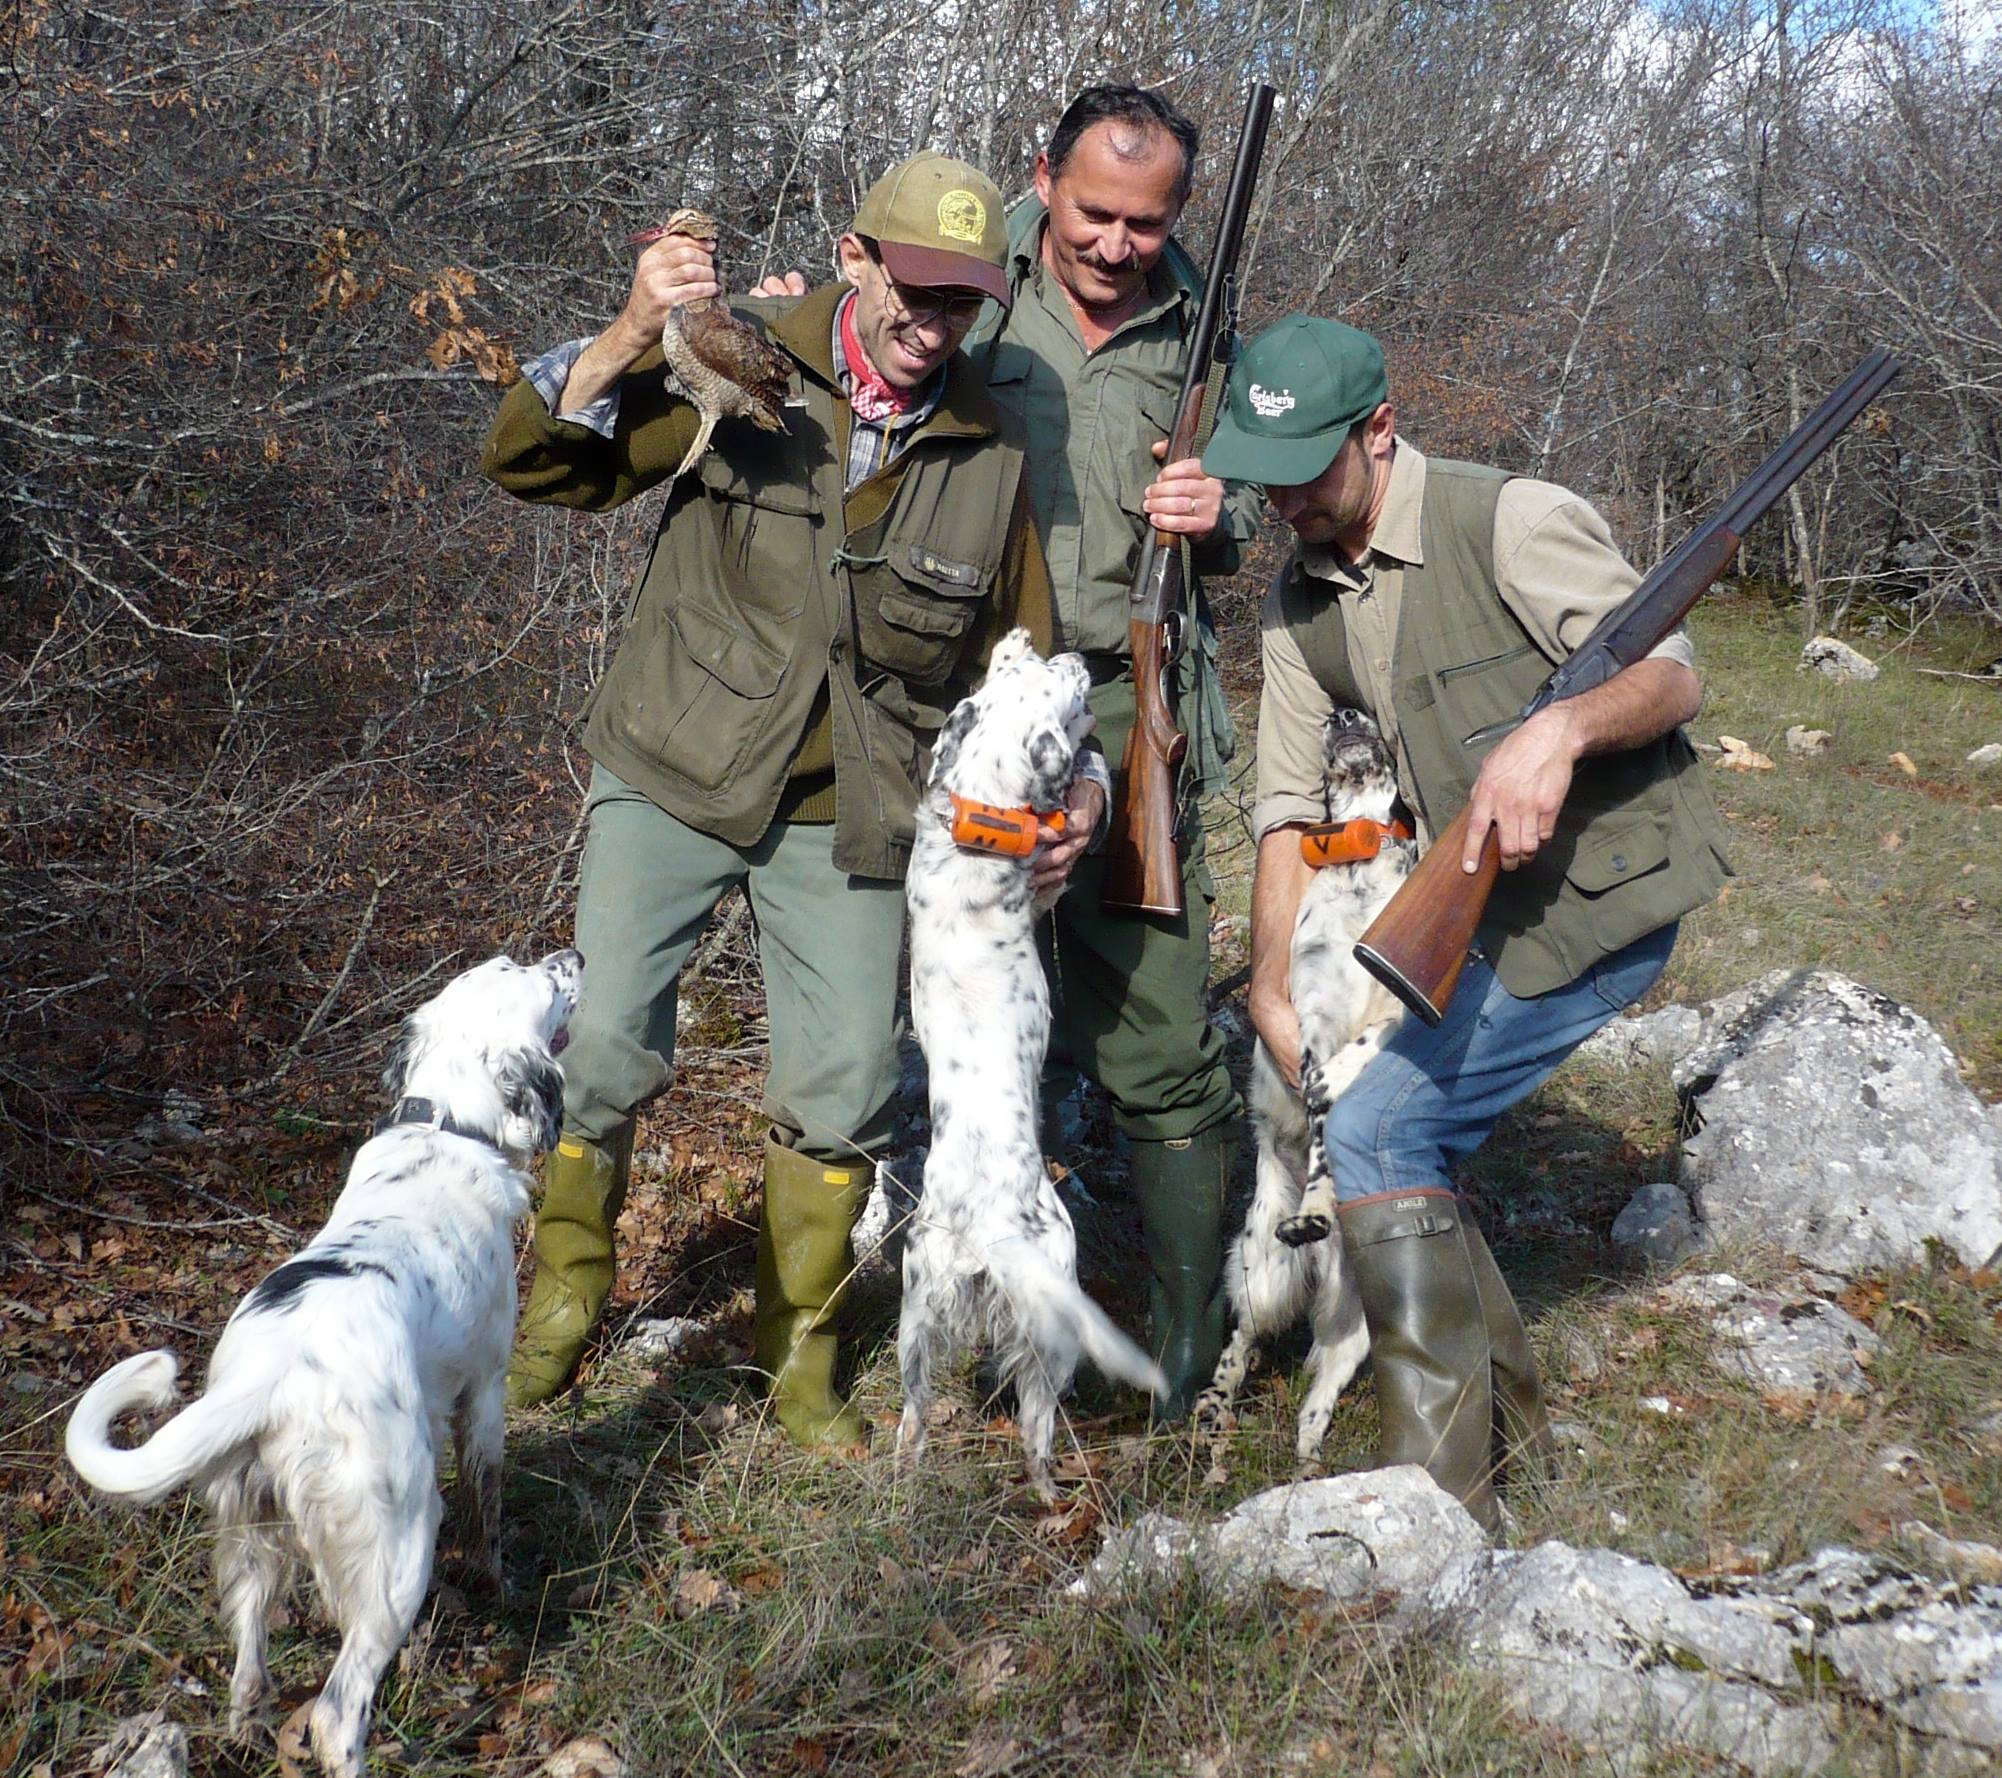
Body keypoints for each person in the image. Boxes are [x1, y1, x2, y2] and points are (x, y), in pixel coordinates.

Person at [481, 152, 1097, 1445]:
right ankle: (557, 1302)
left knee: (851, 1081)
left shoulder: (987, 443)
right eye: (913, 290)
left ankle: (799, 1357)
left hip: (848, 797)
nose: (931, 327)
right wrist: (628, 333)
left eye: (961, 305)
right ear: (855, 254)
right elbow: (538, 465)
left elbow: (1021, 655)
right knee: (599, 1046)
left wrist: (1067, 785)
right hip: (676, 758)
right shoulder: (737, 347)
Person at [1204, 315, 1731, 1526]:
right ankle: (1509, 1442)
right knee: (1406, 1137)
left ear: (1379, 429)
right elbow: (1285, 809)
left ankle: (1439, 1505)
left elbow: (1674, 675)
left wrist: (1557, 729)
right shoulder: (1297, 602)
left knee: (1383, 1128)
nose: (1278, 498)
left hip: (1603, 902)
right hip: (1485, 910)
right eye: (1260, 472)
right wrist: (1271, 981)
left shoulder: (1510, 517)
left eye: (1303, 470)